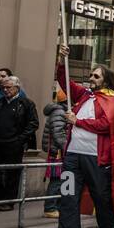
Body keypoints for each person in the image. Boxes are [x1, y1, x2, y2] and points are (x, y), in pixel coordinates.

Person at [52, 46, 114, 228]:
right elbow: (64, 80)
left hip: (96, 158)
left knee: (100, 195)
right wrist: (61, 59)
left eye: (96, 76)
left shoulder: (113, 101)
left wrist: (77, 121)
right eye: (91, 75)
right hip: (72, 156)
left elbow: (106, 125)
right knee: (67, 194)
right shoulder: (84, 95)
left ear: (105, 80)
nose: (91, 78)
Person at [0, 75, 39, 210]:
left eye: (9, 87)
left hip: (13, 143)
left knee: (12, 173)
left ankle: (9, 201)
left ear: (17, 88)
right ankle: (1, 197)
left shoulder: (26, 104)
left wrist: (20, 140)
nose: (6, 90)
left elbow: (33, 123)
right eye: (4, 88)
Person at [42, 83, 69, 219]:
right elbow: (59, 134)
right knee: (57, 180)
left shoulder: (62, 111)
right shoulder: (60, 112)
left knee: (63, 180)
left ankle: (58, 206)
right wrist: (68, 148)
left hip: (59, 151)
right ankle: (50, 208)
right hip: (58, 152)